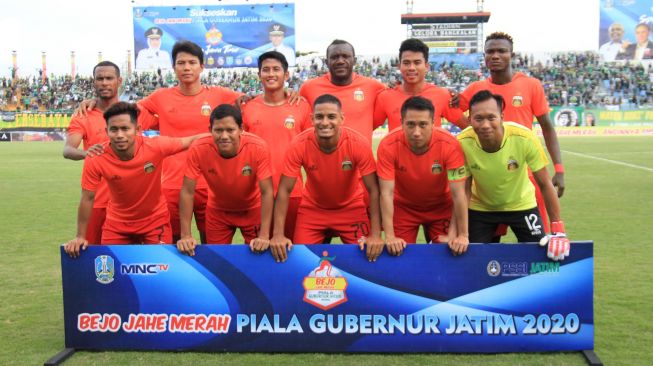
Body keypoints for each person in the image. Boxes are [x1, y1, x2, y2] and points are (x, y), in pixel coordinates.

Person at [63, 102, 208, 257]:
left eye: (125, 129)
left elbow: (192, 140)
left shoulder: (155, 146)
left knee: (161, 269)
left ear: (138, 130)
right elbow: (87, 198)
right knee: (116, 275)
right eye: (114, 129)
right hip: (116, 225)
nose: (119, 135)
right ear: (107, 131)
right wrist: (80, 236)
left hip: (155, 221)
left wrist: (226, 137)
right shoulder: (97, 157)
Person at [456, 32, 565, 237]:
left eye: (501, 51)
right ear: (484, 56)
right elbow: (448, 106)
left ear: (512, 55)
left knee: (540, 242)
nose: (495, 55)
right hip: (488, 181)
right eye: (490, 51)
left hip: (526, 177)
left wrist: (559, 168)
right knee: (485, 247)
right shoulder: (475, 89)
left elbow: (548, 128)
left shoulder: (531, 85)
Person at [270, 94, 384, 262]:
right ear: (311, 119)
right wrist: (278, 235)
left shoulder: (357, 143)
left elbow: (374, 190)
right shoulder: (299, 144)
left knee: (368, 257)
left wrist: (375, 234)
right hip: (312, 210)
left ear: (342, 118)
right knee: (302, 260)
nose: (324, 122)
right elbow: (284, 190)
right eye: (319, 117)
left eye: (331, 117)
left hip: (351, 209)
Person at [458, 90, 570, 261]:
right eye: (478, 118)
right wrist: (461, 232)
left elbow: (545, 183)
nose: (485, 125)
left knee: (539, 256)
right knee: (471, 258)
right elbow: (463, 190)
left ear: (502, 116)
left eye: (491, 117)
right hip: (481, 207)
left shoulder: (524, 137)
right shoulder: (462, 143)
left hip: (521, 205)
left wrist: (558, 229)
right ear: (470, 119)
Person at [176, 104, 274, 256]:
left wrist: (264, 235)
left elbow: (267, 191)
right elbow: (187, 191)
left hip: (252, 210)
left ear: (241, 129)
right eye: (218, 130)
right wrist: (186, 235)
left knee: (259, 259)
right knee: (217, 260)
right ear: (210, 130)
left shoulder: (258, 147)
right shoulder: (198, 148)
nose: (224, 136)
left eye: (230, 130)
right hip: (218, 212)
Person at [377, 96, 469, 256]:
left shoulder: (450, 145)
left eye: (423, 125)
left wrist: (461, 234)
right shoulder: (387, 145)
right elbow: (386, 193)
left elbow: (459, 193)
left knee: (447, 254)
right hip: (404, 208)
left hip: (441, 207)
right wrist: (390, 236)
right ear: (401, 122)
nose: (416, 132)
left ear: (433, 122)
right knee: (398, 255)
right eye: (410, 124)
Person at [241, 51, 312, 241]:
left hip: (292, 192)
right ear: (259, 75)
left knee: (290, 250)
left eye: (276, 69)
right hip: (255, 194)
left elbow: (311, 148)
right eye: (266, 70)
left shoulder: (301, 106)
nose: (271, 74)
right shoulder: (247, 107)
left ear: (286, 75)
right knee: (257, 249)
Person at [62, 61, 121, 244]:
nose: (104, 82)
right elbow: (68, 149)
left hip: (127, 202)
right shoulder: (84, 115)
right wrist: (87, 154)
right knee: (95, 260)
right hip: (95, 201)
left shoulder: (133, 112)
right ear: (93, 82)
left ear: (119, 81)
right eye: (100, 78)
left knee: (129, 261)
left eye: (109, 78)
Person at [299, 40, 386, 143]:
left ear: (354, 60)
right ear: (326, 62)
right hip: (322, 157)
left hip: (360, 158)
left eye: (345, 56)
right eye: (334, 57)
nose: (340, 61)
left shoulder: (374, 87)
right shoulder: (308, 88)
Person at [374, 38, 467, 131]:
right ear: (399, 66)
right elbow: (366, 126)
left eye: (417, 62)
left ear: (426, 67)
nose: (411, 68)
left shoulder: (442, 95)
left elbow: (468, 126)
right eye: (406, 63)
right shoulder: (385, 97)